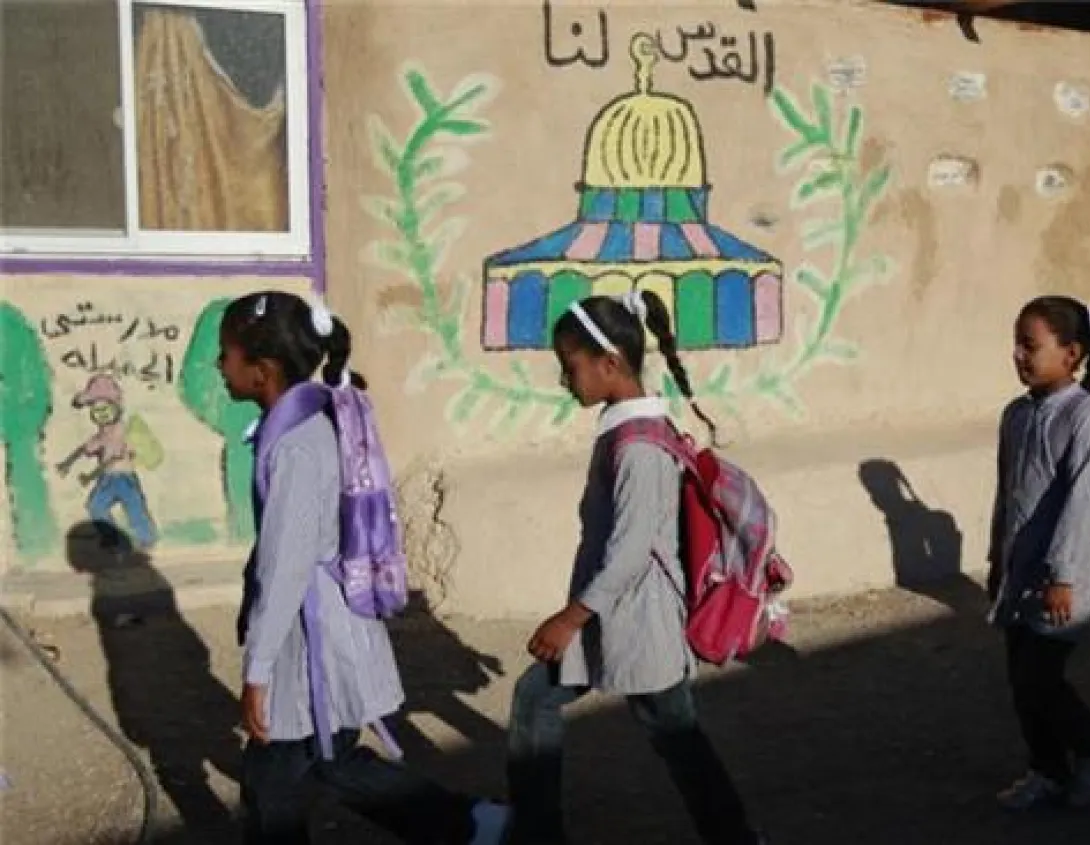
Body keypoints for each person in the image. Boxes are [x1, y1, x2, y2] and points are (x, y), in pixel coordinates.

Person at [219, 291, 510, 845]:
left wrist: (257, 670)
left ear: (263, 371)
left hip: (311, 642)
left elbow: (285, 566)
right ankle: (472, 823)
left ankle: (472, 823)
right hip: (318, 630)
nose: (219, 365)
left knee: (275, 778)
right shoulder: (305, 422)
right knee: (330, 760)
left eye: (226, 354)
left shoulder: (299, 444)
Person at [505, 290, 762, 845]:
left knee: (678, 737)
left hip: (641, 619)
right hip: (614, 610)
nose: (565, 380)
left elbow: (628, 550)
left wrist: (569, 618)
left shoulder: (641, 450)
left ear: (610, 364)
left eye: (570, 367)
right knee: (538, 697)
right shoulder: (626, 432)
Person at [987, 295, 1090, 811]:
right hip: (1020, 573)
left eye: (1031, 345)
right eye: (1016, 344)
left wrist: (1064, 576)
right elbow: (1007, 494)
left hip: (1067, 576)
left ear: (1072, 353)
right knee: (1021, 681)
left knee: (1038, 678)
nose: (1019, 355)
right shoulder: (1016, 415)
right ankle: (1046, 770)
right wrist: (996, 558)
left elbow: (1083, 503)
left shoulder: (1088, 421)